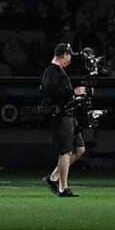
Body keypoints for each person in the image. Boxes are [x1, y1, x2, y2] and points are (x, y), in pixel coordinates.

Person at [40, 43, 84, 197]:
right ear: (64, 54)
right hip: (61, 115)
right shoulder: (51, 71)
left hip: (69, 114)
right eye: (69, 55)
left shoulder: (59, 71)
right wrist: (73, 92)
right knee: (65, 151)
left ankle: (53, 177)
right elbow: (51, 92)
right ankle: (62, 188)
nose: (70, 59)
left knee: (80, 149)